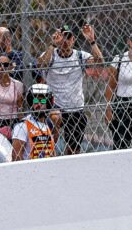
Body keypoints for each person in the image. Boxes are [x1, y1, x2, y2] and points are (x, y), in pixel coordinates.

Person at [37, 24, 104, 155]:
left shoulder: (80, 56)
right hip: (54, 105)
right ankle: (51, 150)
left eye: (68, 37)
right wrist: (52, 44)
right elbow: (40, 65)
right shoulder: (51, 55)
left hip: (75, 107)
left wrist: (92, 40)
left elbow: (100, 62)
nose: (65, 41)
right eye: (62, 37)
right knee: (55, 121)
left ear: (73, 40)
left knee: (74, 149)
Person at [11, 84, 59, 161]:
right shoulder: (23, 125)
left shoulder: (48, 124)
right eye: (35, 101)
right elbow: (16, 155)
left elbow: (52, 151)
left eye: (43, 101)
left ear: (48, 103)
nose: (39, 104)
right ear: (31, 103)